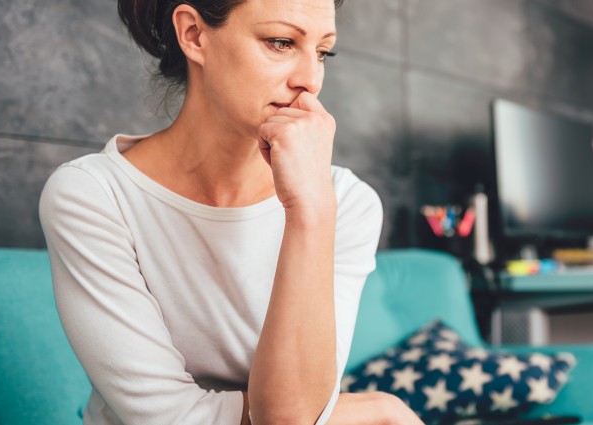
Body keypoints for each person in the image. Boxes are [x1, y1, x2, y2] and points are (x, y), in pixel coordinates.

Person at [39, 0, 423, 423]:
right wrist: (373, 409)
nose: (310, 80)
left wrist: (310, 210)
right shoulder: (92, 195)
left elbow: (295, 416)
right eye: (280, 42)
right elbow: (172, 419)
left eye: (322, 52)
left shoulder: (345, 201)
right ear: (193, 35)